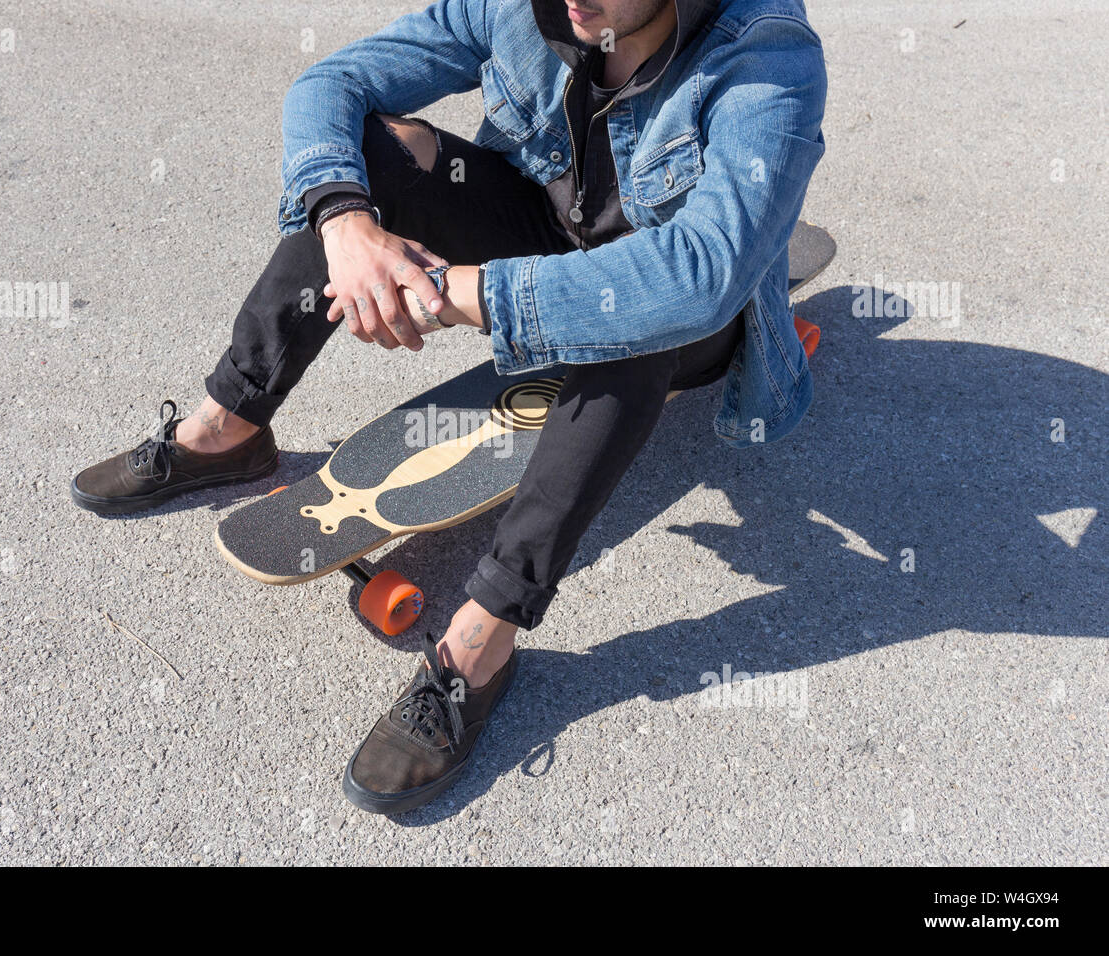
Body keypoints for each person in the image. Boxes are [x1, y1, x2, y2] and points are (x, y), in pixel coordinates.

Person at [71, 0, 827, 814]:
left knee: (630, 308)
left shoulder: (766, 53)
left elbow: (698, 277)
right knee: (370, 153)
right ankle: (232, 423)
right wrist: (345, 221)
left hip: (681, 312)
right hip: (548, 224)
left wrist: (465, 293)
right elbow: (333, 83)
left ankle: (482, 637)